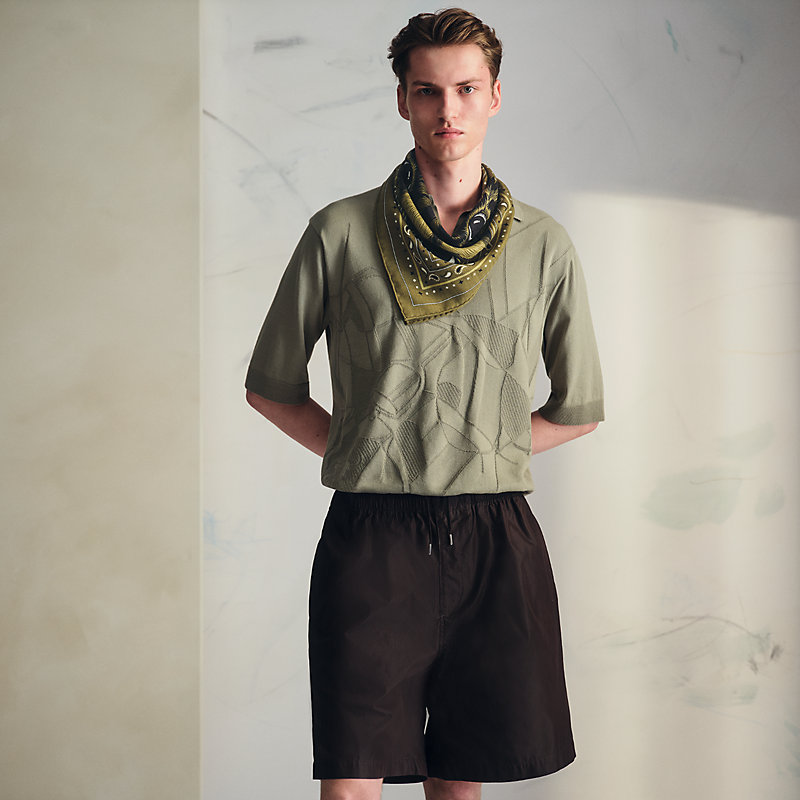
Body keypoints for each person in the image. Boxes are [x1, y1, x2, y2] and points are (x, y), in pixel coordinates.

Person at [245, 8, 604, 800]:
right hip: (372, 539)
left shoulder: (543, 243)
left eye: (467, 89)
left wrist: (482, 447)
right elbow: (270, 386)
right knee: (350, 782)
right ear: (403, 100)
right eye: (428, 91)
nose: (449, 110)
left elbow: (578, 407)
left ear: (495, 96)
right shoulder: (339, 232)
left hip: (496, 541)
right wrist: (367, 446)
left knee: (459, 784)